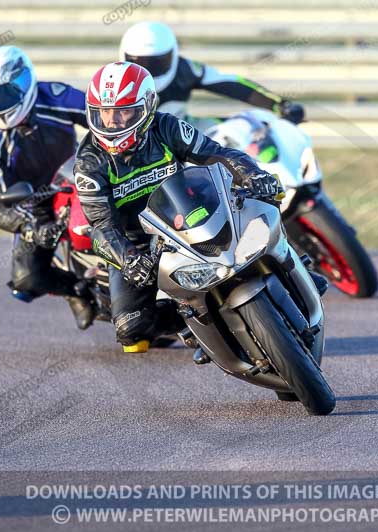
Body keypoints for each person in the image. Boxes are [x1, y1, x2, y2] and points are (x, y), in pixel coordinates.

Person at [74, 61, 283, 353]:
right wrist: (128, 258)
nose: (113, 122)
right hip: (136, 241)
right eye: (104, 113)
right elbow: (102, 226)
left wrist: (252, 173)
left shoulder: (165, 126)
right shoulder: (88, 162)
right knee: (130, 329)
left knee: (257, 209)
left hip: (185, 216)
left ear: (146, 107)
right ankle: (193, 324)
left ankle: (291, 268)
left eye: (123, 111)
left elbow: (215, 154)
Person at [0, 45, 96, 329]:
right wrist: (29, 226)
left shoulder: (55, 95)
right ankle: (77, 290)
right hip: (33, 204)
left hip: (78, 181)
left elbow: (102, 118)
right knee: (26, 281)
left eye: (4, 93)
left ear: (24, 81)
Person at [119, 21, 305, 130]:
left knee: (249, 126)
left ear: (173, 54)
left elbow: (231, 84)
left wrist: (280, 106)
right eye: (140, 62)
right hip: (128, 142)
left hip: (180, 132)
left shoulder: (187, 69)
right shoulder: (111, 79)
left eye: (157, 62)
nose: (148, 69)